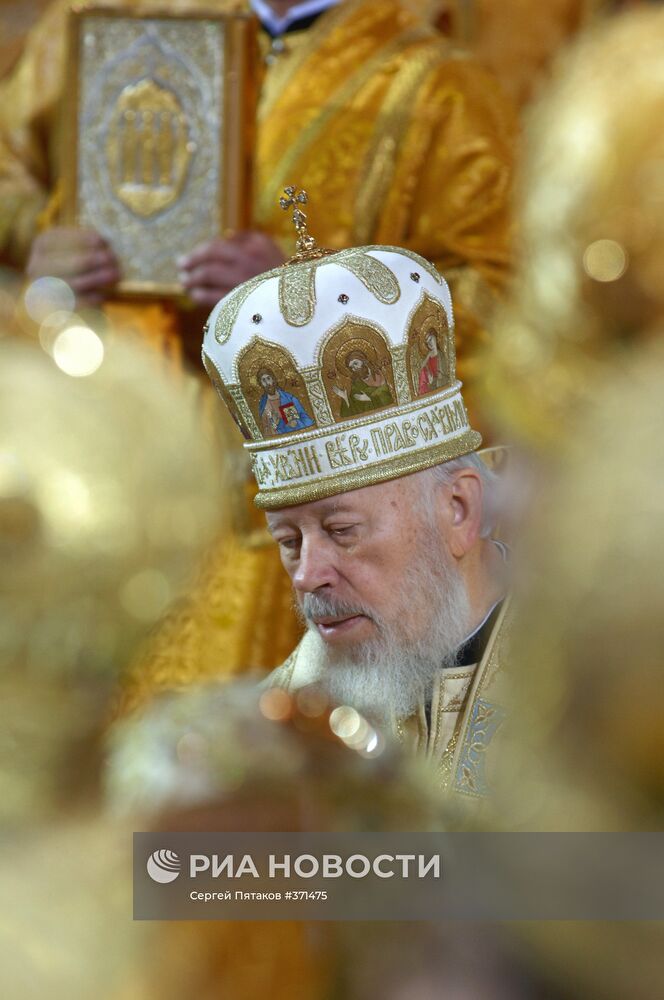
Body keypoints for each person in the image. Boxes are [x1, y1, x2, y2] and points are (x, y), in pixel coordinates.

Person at [0, 0, 516, 711]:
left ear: (461, 507)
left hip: (309, 495)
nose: (310, 573)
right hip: (130, 478)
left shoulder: (439, 89)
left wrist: (314, 296)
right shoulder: (110, 27)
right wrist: (37, 238)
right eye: (302, 546)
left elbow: (505, 295)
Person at [202, 200, 511, 798]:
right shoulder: (276, 738)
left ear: (457, 511)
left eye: (341, 531)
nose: (306, 576)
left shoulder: (602, 686)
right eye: (289, 541)